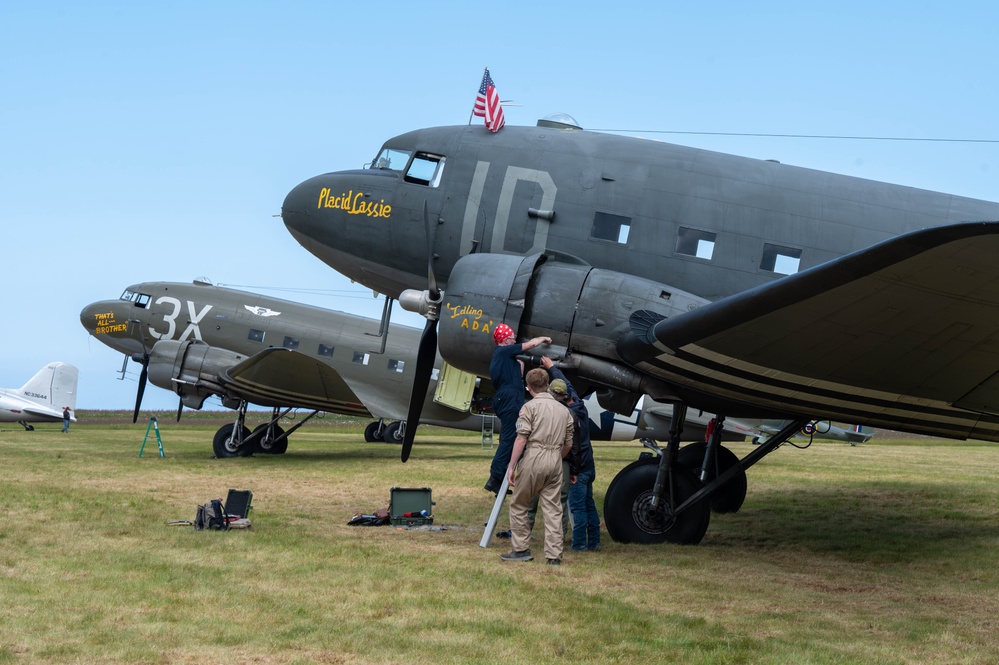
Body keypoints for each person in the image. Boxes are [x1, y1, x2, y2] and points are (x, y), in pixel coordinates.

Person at [500, 368, 574, 565]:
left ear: (529, 387)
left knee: (519, 504)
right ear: (547, 384)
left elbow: (521, 439)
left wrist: (511, 465)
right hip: (556, 459)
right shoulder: (564, 410)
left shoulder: (529, 407)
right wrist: (555, 458)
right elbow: (569, 444)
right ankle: (554, 556)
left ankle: (521, 549)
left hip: (534, 455)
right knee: (553, 509)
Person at [542, 356, 601, 552]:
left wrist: (573, 472)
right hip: (589, 466)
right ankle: (594, 542)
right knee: (589, 505)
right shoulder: (576, 401)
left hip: (580, 468)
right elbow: (566, 383)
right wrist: (552, 367)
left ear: (558, 397)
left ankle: (579, 545)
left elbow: (573, 448)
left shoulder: (568, 416)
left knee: (578, 508)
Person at [484, 324, 552, 494]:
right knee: (509, 438)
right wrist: (543, 338)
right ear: (506, 340)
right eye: (512, 337)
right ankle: (495, 477)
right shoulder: (503, 351)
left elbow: (519, 372)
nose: (515, 340)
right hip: (509, 398)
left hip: (507, 397)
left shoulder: (505, 358)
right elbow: (531, 345)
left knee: (511, 435)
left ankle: (501, 474)